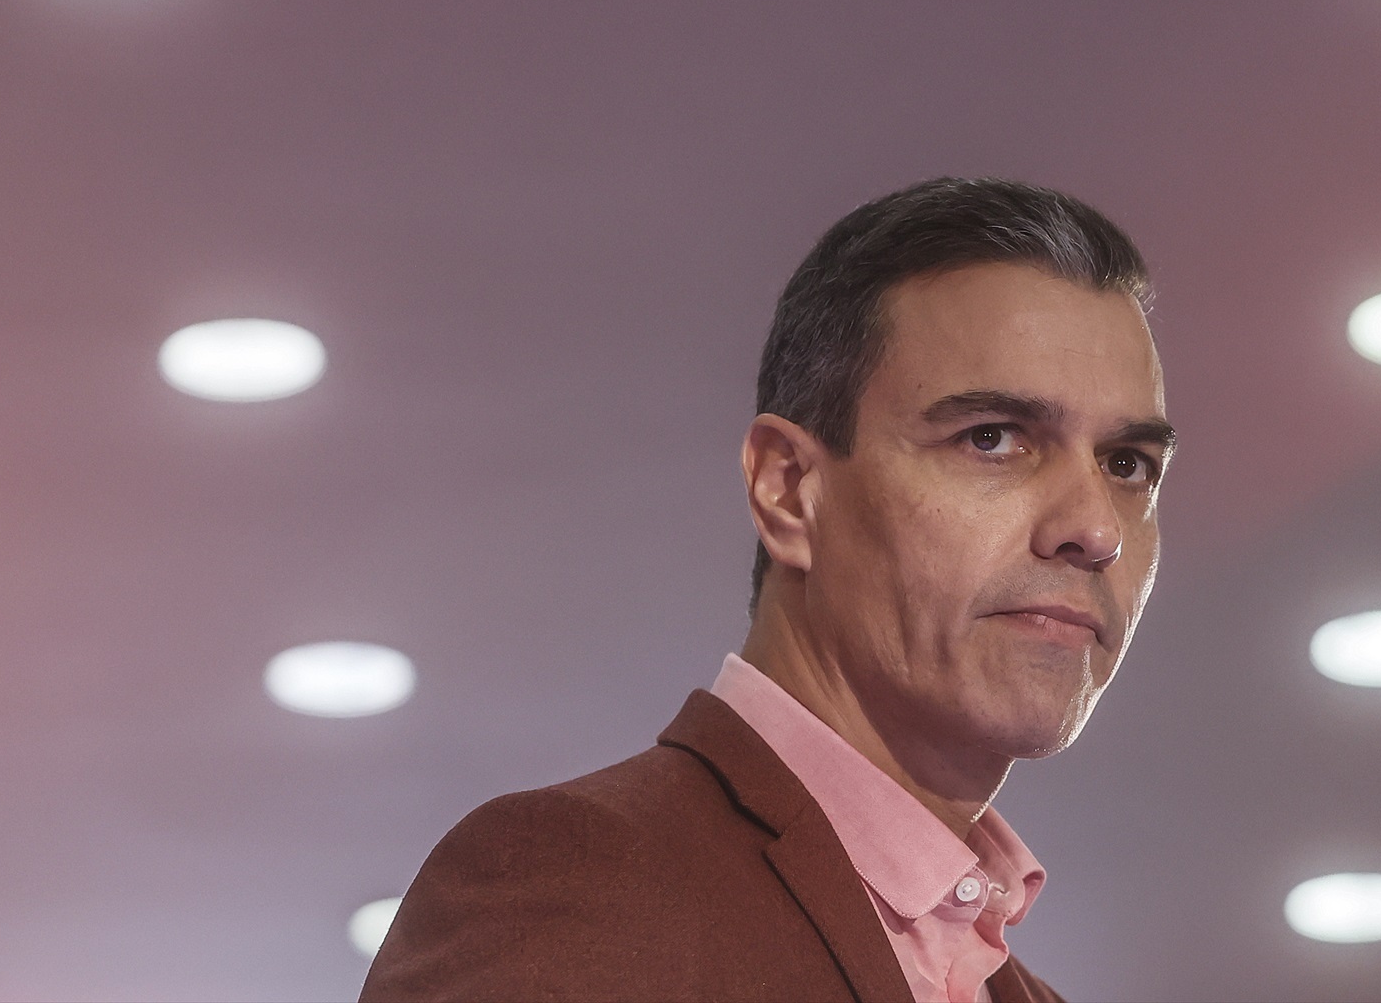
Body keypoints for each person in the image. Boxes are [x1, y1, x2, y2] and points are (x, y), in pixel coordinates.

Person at [360, 178, 1173, 1003]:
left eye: (1127, 464)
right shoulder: (578, 883)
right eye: (991, 438)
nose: (1095, 527)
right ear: (788, 490)